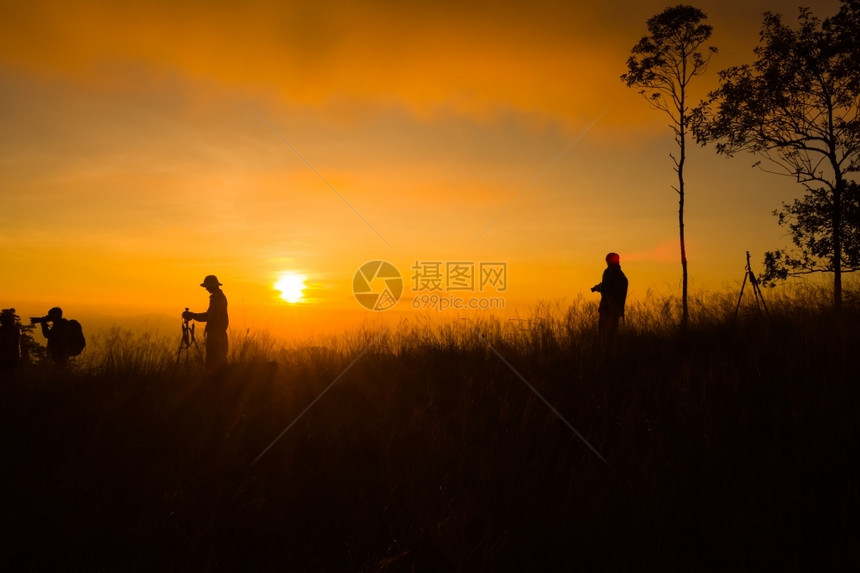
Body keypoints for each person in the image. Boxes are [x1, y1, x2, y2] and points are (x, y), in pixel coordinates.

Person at [183, 275, 229, 370]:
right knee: (217, 363)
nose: (206, 289)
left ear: (212, 286)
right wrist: (193, 315)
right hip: (217, 335)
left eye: (207, 286)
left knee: (214, 364)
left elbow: (209, 316)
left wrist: (192, 315)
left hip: (217, 336)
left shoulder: (218, 298)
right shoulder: (217, 297)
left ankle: (215, 382)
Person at [591, 252, 629, 339]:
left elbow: (605, 287)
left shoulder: (608, 272)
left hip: (608, 309)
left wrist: (597, 287)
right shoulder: (622, 276)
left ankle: (604, 351)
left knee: (604, 334)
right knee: (613, 334)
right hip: (617, 309)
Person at [0, 308, 22, 374]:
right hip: (12, 356)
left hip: (10, 356)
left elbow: (12, 343)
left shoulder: (15, 330)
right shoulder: (16, 330)